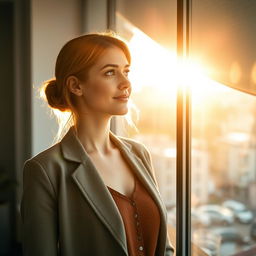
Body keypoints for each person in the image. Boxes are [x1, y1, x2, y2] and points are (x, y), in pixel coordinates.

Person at [21, 32, 174, 256]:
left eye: (126, 71)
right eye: (110, 72)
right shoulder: (45, 171)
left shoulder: (139, 153)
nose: (126, 83)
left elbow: (165, 247)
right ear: (76, 86)